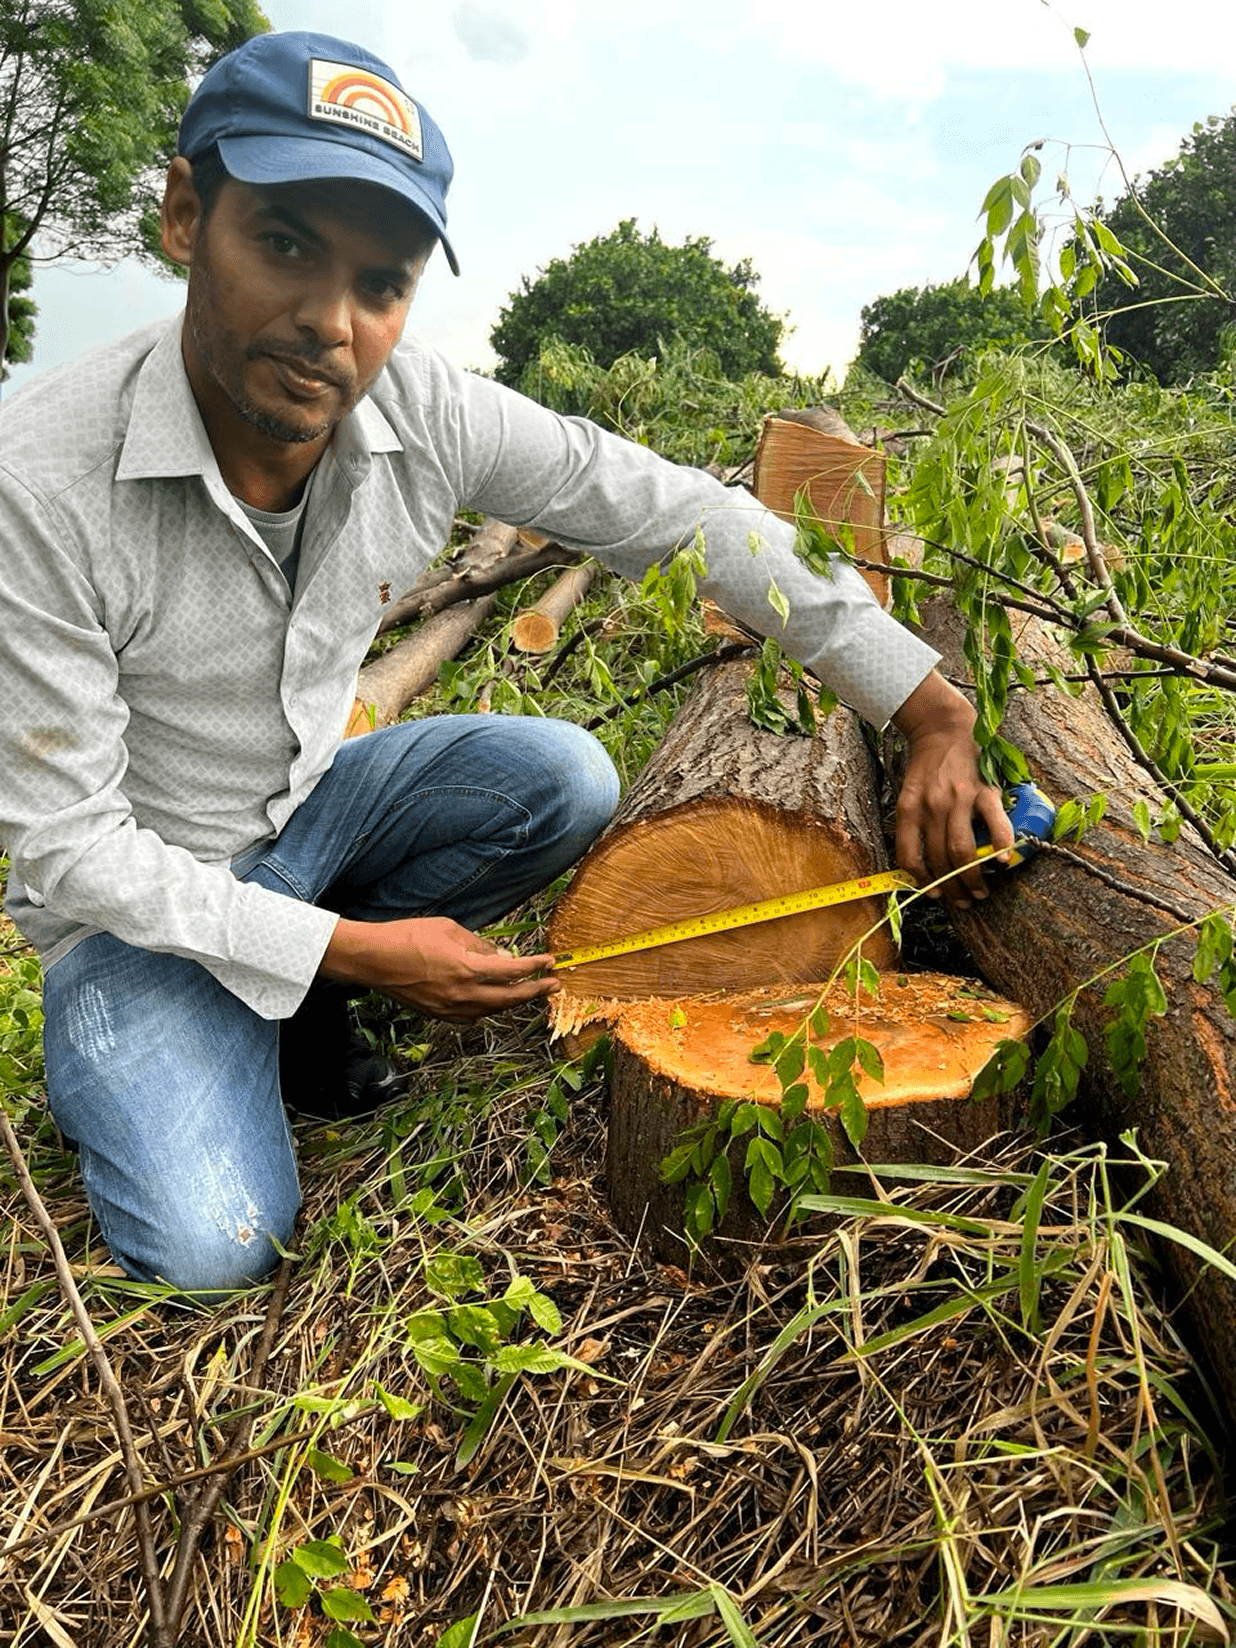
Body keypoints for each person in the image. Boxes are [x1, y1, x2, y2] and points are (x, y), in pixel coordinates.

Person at [0, 30, 1012, 1293]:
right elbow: (68, 846)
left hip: (305, 809)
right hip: (132, 911)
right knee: (216, 1246)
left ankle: (289, 998)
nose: (330, 321)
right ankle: (229, 1007)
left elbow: (677, 511)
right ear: (186, 214)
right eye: (286, 246)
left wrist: (928, 705)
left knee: (559, 775)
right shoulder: (39, 479)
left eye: (382, 282)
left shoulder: (424, 412)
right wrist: (361, 951)